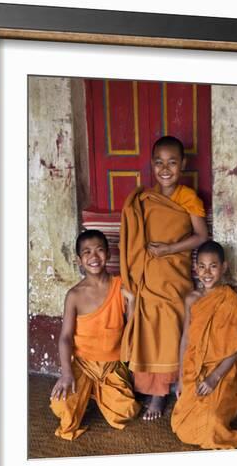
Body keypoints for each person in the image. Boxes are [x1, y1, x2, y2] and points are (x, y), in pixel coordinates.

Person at [120, 135, 209, 420]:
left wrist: (169, 248)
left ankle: (159, 395)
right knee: (147, 331)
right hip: (149, 276)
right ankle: (148, 388)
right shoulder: (145, 199)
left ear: (183, 164)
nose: (165, 168)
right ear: (152, 165)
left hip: (174, 277)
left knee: (169, 330)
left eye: (172, 162)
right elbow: (135, 237)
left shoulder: (188, 198)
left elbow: (201, 237)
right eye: (159, 162)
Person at [50, 229, 140, 440]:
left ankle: (95, 394)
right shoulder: (74, 295)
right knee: (60, 407)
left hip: (111, 364)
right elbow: (65, 337)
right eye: (87, 252)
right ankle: (87, 392)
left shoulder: (120, 286)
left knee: (125, 412)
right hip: (82, 364)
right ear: (79, 260)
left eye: (99, 250)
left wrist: (133, 301)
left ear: (108, 254)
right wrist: (66, 373)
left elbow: (133, 327)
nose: (94, 257)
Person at [171, 240, 237, 449]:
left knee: (213, 424)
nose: (207, 273)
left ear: (223, 267)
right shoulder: (192, 299)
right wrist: (180, 379)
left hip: (222, 371)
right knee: (181, 427)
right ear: (196, 269)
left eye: (213, 266)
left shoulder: (231, 301)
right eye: (202, 267)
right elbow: (186, 338)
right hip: (194, 367)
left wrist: (215, 378)